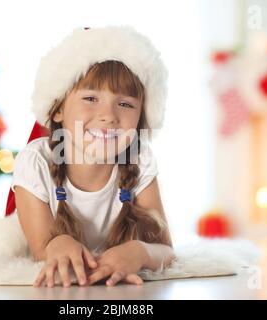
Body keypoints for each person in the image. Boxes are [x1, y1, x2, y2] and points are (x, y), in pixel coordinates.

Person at [10, 25, 175, 288]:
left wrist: (140, 252)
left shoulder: (139, 159)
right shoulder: (36, 162)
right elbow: (41, 251)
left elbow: (165, 250)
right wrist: (57, 243)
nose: (108, 115)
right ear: (57, 110)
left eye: (125, 104)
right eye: (90, 98)